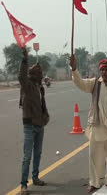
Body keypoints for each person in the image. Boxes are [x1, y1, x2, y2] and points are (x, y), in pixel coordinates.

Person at [70, 55, 107, 193]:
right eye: (102, 70)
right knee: (94, 156)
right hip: (97, 126)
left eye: (106, 69)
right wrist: (74, 69)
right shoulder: (94, 84)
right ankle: (94, 182)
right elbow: (80, 83)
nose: (104, 72)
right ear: (100, 71)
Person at [18, 47, 49, 195]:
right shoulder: (28, 85)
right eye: (40, 73)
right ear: (34, 75)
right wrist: (25, 59)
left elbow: (42, 104)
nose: (42, 75)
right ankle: (23, 184)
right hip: (29, 125)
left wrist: (46, 116)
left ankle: (35, 178)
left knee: (38, 154)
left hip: (39, 124)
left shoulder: (39, 87)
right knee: (27, 156)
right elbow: (21, 76)